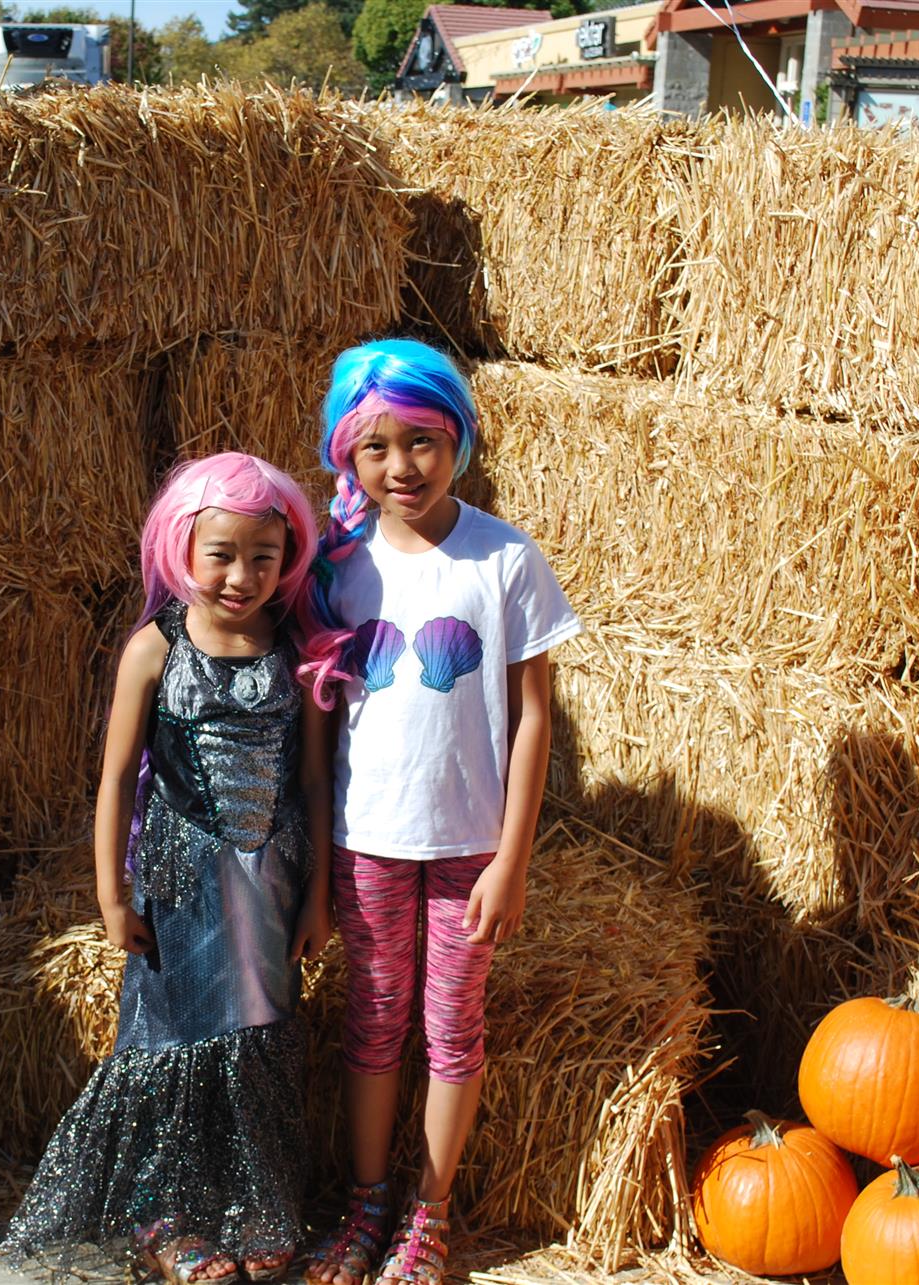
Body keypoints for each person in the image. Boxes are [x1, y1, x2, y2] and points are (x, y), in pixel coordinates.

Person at [3, 453, 334, 1285]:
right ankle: (165, 1212)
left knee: (255, 1028)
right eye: (221, 552)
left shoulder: (296, 651)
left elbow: (315, 779)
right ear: (181, 548)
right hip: (182, 877)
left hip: (272, 875)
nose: (242, 574)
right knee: (173, 1032)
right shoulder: (154, 648)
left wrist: (319, 892)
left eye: (264, 555)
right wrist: (111, 892)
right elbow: (116, 777)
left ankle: (251, 1201)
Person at [298, 341, 579, 1285]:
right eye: (373, 448)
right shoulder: (339, 567)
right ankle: (368, 1199)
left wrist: (513, 859)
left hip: (468, 845)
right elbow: (316, 720)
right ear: (348, 457)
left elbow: (535, 715)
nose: (400, 466)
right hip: (366, 839)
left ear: (457, 436)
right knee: (373, 1020)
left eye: (421, 440)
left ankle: (430, 1209)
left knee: (453, 1027)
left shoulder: (504, 557)